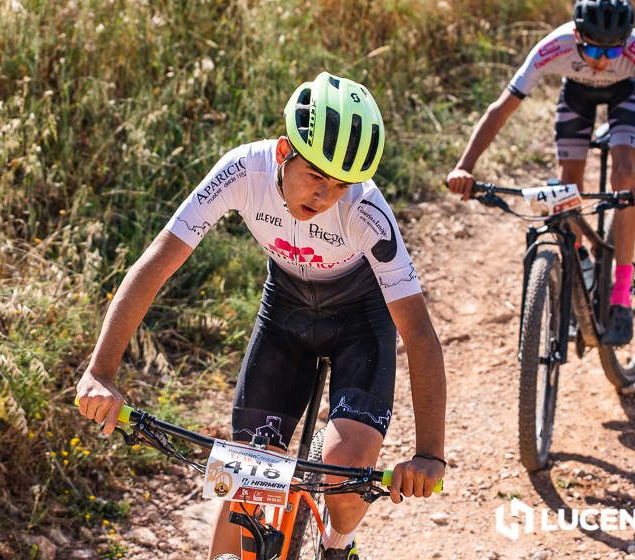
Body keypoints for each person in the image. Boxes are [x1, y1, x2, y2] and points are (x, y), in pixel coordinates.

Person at [75, 71, 447, 560]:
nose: (324, 195)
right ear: (281, 151)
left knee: (345, 472)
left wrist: (429, 454)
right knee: (245, 476)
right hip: (286, 316)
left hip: (360, 322)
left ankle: (339, 542)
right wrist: (100, 372)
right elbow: (157, 262)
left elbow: (417, 332)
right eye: (315, 176)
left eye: (340, 185)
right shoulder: (240, 172)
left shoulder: (365, 210)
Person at [446, 0, 635, 345]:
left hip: (625, 93)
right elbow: (500, 110)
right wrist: (465, 166)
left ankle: (621, 294)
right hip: (577, 96)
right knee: (568, 184)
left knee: (624, 177)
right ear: (576, 36)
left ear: (625, 42)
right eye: (593, 49)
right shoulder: (554, 46)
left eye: (613, 51)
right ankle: (581, 261)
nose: (601, 61)